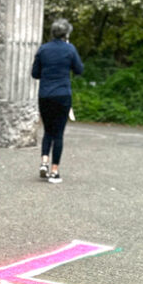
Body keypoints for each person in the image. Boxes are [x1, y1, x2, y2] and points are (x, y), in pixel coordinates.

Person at [31, 18, 83, 184]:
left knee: (48, 130)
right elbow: (79, 70)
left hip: (45, 95)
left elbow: (35, 73)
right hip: (62, 95)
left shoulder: (43, 49)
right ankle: (54, 172)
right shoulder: (70, 49)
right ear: (66, 34)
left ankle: (44, 162)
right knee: (58, 134)